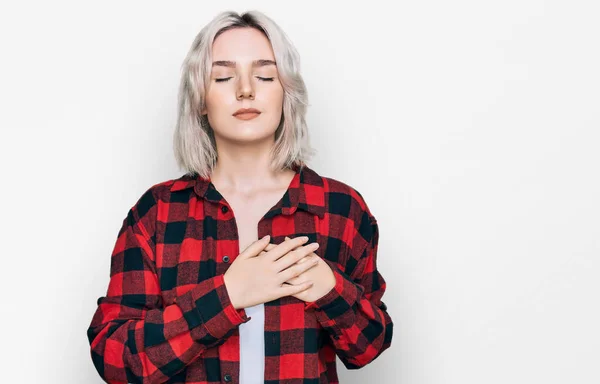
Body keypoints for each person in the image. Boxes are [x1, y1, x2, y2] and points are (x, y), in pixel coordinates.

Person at [87, 10, 393, 384]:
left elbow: (369, 348)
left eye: (265, 75)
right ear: (201, 99)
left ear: (287, 93)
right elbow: (114, 358)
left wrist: (330, 289)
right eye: (224, 76)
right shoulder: (157, 213)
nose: (246, 89)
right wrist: (227, 295)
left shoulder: (341, 209)